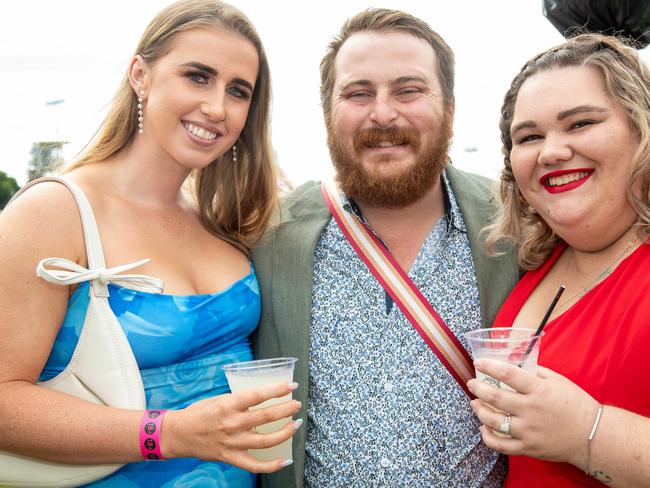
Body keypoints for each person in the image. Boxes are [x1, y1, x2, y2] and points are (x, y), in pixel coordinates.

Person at [0, 1, 302, 486]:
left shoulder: (220, 218)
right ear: (140, 74)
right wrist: (171, 433)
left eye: (238, 91)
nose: (217, 108)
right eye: (198, 77)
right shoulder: (55, 211)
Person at [252, 8, 520, 487]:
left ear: (450, 110)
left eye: (408, 90)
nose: (382, 113)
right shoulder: (269, 238)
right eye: (358, 93)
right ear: (328, 113)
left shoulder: (515, 225)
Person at [469, 33, 650, 487]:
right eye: (529, 136)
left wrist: (586, 432)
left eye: (580, 123)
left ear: (641, 130)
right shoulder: (534, 263)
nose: (550, 151)